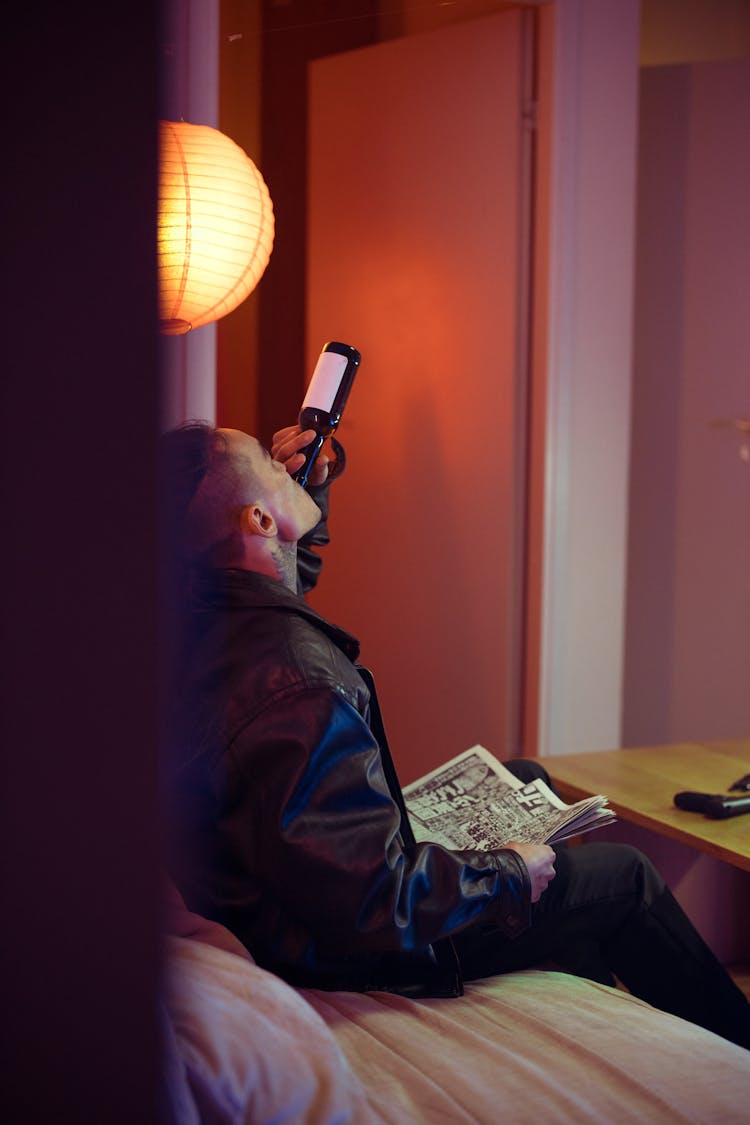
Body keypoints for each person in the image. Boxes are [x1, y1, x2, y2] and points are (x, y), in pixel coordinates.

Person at [163, 420, 750, 1049]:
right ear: (257, 522)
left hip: (289, 897)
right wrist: (506, 873)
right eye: (272, 468)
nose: (287, 464)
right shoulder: (299, 683)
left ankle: (576, 958)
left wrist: (310, 490)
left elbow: (276, 572)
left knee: (527, 777)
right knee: (625, 876)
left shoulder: (207, 618)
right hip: (348, 950)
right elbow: (373, 901)